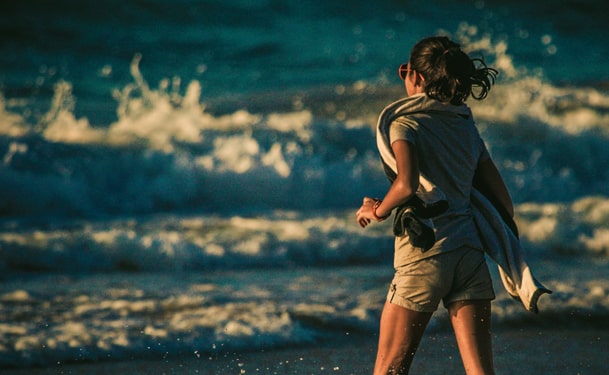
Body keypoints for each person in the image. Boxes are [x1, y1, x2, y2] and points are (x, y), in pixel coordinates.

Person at [356, 36, 507, 374]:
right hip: (469, 254)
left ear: (416, 78)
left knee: (389, 370)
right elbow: (503, 203)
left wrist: (375, 211)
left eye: (405, 72)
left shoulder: (404, 123)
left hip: (423, 255)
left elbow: (407, 183)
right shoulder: (466, 128)